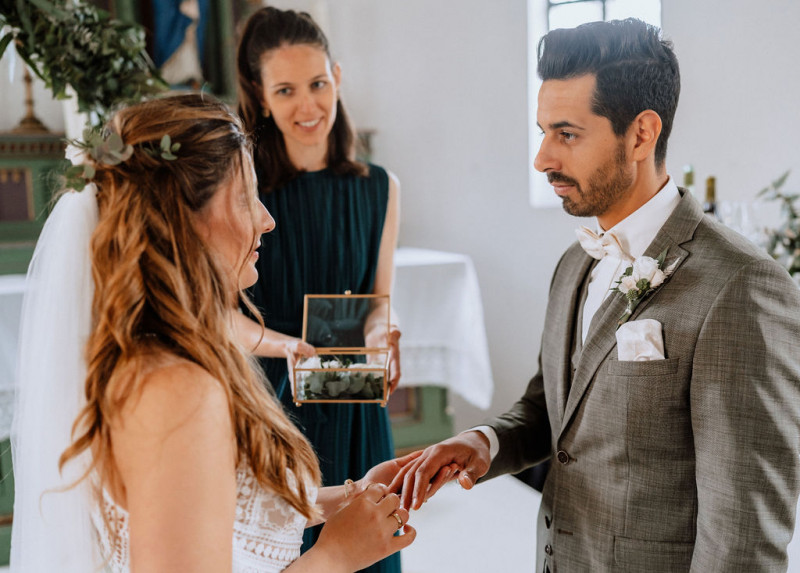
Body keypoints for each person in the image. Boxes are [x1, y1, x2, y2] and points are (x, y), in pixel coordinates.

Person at [391, 18, 800, 572]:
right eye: (543, 132)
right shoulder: (575, 263)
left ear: (640, 134)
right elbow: (552, 411)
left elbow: (743, 535)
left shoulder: (741, 287)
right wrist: (486, 441)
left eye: (567, 134)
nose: (543, 159)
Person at [10, 94, 416, 573]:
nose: (267, 220)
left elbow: (222, 507)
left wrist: (349, 495)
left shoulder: (161, 353)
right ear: (182, 218)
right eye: (245, 196)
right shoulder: (176, 389)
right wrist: (334, 556)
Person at [236, 8, 403, 572]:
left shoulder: (380, 188)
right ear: (260, 97)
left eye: (318, 84)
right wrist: (287, 347)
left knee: (369, 545)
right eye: (286, 90)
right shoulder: (240, 188)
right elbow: (211, 313)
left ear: (337, 75)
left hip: (351, 398)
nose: (308, 106)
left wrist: (386, 334)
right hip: (268, 404)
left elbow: (376, 301)